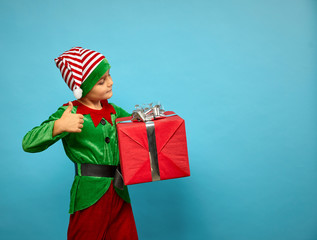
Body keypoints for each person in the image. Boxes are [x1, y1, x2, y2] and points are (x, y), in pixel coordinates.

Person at [22, 46, 139, 240]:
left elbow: (138, 134)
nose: (111, 83)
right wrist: (58, 126)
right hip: (89, 194)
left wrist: (149, 121)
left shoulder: (115, 111)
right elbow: (28, 143)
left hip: (119, 190)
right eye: (102, 81)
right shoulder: (69, 113)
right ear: (81, 89)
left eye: (109, 76)